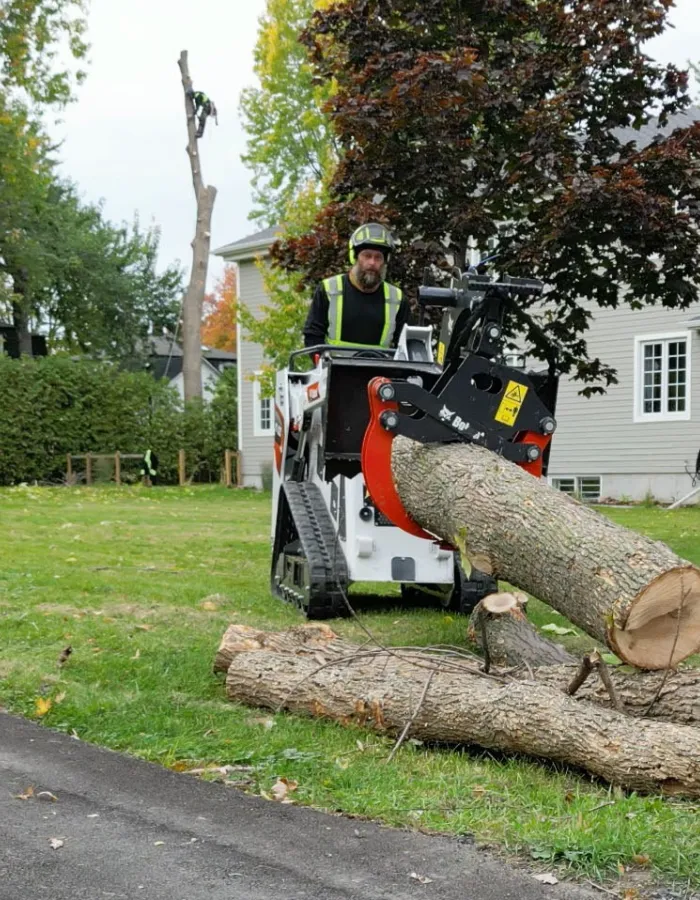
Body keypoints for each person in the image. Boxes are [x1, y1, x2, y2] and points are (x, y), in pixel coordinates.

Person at [303, 223, 410, 350]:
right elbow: (313, 336)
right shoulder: (328, 290)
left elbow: (406, 346)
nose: (372, 262)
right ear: (354, 257)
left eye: (378, 257)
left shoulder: (397, 299)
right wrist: (323, 363)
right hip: (335, 369)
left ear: (385, 261)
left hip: (380, 369)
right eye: (367, 256)